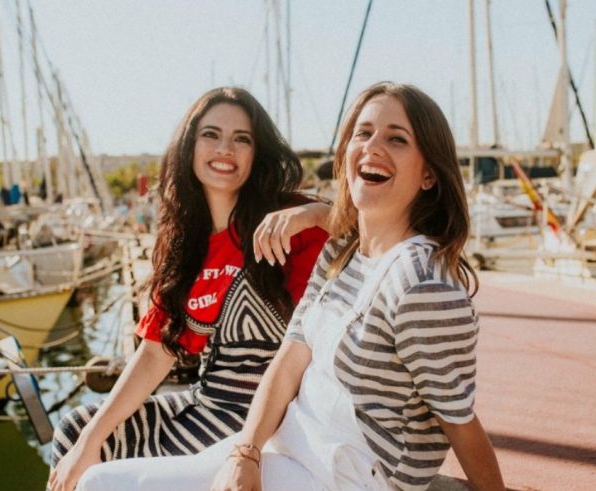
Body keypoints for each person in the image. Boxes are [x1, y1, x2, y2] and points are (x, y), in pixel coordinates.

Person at [74, 82, 504, 491]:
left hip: (347, 474)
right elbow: (288, 362)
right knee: (95, 474)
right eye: (363, 133)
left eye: (396, 139)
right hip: (288, 445)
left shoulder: (423, 285)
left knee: (100, 485)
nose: (372, 147)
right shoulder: (341, 257)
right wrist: (246, 452)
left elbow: (459, 422)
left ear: (429, 175)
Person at [47, 86, 327, 491]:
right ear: (189, 146)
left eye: (241, 139)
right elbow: (156, 353)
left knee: (110, 475)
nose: (225, 148)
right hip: (206, 403)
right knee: (78, 430)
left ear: (256, 153)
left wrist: (317, 213)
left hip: (265, 417)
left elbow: (375, 233)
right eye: (211, 134)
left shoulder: (287, 221)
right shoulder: (186, 243)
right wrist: (90, 442)